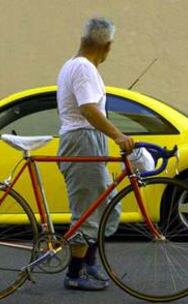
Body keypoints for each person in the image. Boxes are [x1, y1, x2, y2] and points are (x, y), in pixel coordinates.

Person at [57, 17, 135, 291]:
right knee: (87, 210)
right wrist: (118, 135)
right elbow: (89, 109)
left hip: (86, 140)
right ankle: (74, 274)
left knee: (104, 206)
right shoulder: (83, 68)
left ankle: (89, 263)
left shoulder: (75, 66)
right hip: (83, 140)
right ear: (107, 45)